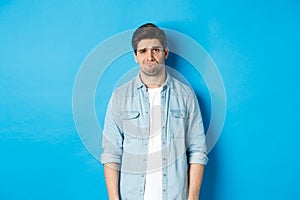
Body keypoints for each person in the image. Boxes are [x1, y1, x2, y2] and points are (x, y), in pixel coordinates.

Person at [101, 23, 208, 200]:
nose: (149, 56)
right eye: (142, 51)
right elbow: (111, 153)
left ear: (165, 52)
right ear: (135, 56)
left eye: (155, 50)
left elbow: (197, 150)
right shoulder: (120, 96)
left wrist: (193, 197)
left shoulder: (186, 95)